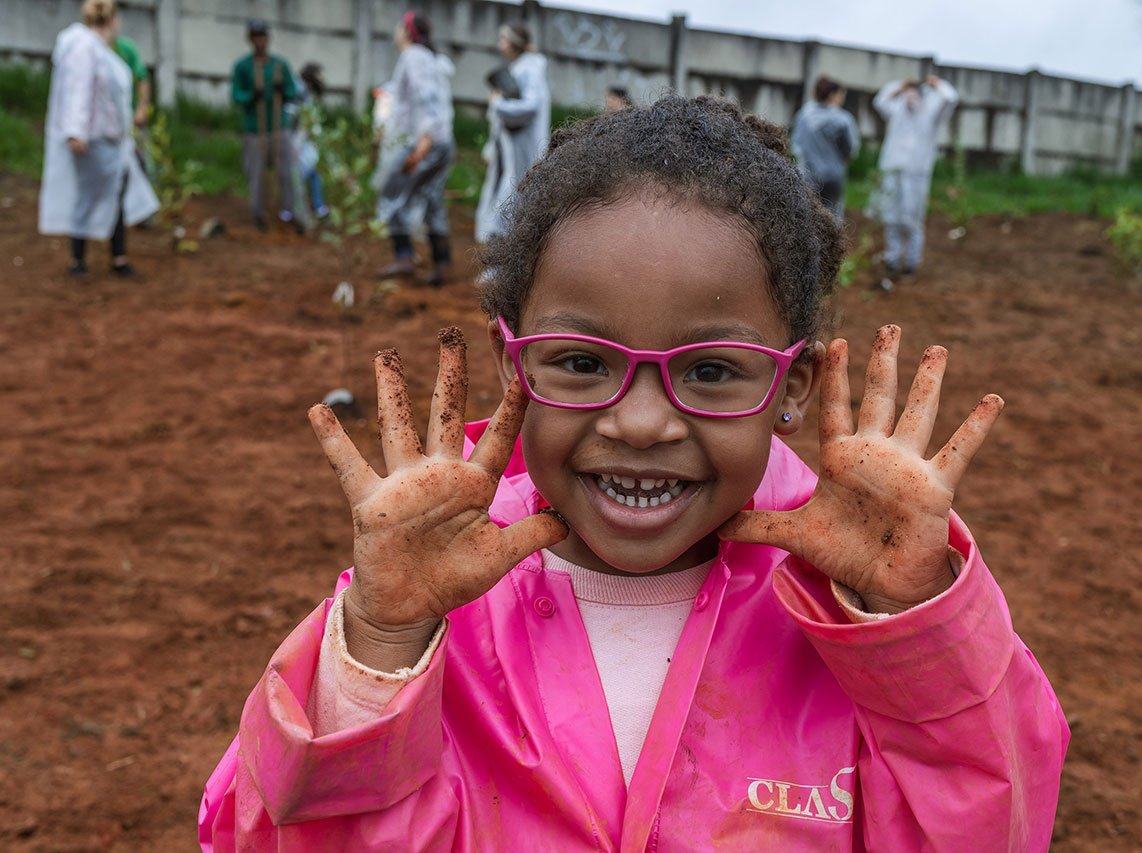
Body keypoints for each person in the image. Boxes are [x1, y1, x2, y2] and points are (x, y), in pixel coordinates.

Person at [199, 96, 1068, 849]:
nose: (643, 422)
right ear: (515, 369)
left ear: (789, 386)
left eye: (711, 370)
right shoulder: (426, 592)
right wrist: (379, 643)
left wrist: (914, 623)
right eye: (580, 361)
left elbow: (991, 827)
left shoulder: (864, 606)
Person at [38, 0, 158, 278]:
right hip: (92, 140)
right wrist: (76, 131)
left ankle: (117, 256)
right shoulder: (84, 47)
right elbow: (78, 90)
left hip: (111, 140)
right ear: (113, 19)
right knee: (89, 195)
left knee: (116, 192)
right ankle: (79, 260)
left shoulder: (98, 49)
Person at [373, 11, 456, 284]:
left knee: (391, 190)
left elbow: (426, 98)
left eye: (399, 27)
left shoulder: (413, 56)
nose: (395, 31)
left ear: (407, 32)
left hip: (422, 142)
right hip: (440, 141)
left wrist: (423, 141)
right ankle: (442, 263)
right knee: (431, 197)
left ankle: (404, 256)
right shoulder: (429, 58)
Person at [872, 75, 959, 278]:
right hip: (892, 174)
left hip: (916, 177)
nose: (909, 100)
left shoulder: (931, 115)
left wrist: (938, 84)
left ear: (922, 98)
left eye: (913, 96)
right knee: (891, 217)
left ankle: (911, 262)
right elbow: (880, 100)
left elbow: (951, 99)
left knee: (913, 219)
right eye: (906, 96)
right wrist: (899, 85)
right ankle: (892, 260)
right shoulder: (897, 111)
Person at [475, 22, 550, 243]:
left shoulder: (530, 69)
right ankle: (499, 260)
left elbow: (530, 106)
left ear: (515, 43)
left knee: (513, 199)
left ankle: (502, 263)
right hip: (508, 147)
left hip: (522, 148)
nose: (500, 44)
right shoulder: (519, 67)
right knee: (506, 197)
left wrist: (498, 103)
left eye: (504, 39)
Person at [230, 18, 299, 232]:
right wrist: (251, 96)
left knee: (287, 173)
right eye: (256, 36)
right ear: (250, 39)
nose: (260, 40)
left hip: (280, 127)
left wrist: (283, 91)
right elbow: (236, 96)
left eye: (263, 36)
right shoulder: (243, 66)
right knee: (256, 174)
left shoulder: (279, 65)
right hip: (254, 130)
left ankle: (289, 213)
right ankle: (259, 214)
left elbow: (293, 91)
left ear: (268, 38)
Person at [792, 74, 860, 223]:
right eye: (841, 94)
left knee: (807, 215)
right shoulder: (843, 119)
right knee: (832, 217)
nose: (842, 98)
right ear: (832, 95)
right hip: (833, 175)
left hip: (808, 173)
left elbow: (796, 144)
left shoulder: (804, 114)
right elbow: (851, 149)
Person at [290, 62, 329, 221]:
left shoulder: (304, 90)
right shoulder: (299, 89)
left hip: (303, 141)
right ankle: (299, 211)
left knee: (312, 174)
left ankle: (317, 207)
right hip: (296, 140)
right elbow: (298, 116)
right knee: (300, 175)